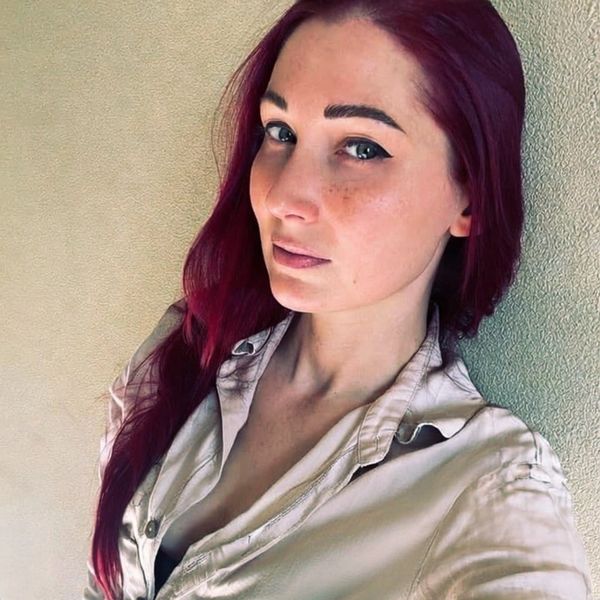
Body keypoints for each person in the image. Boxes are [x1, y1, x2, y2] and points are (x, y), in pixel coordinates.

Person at [83, 1, 593, 598]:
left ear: (470, 198)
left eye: (362, 147)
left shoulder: (489, 492)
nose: (283, 197)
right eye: (280, 133)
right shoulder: (187, 345)